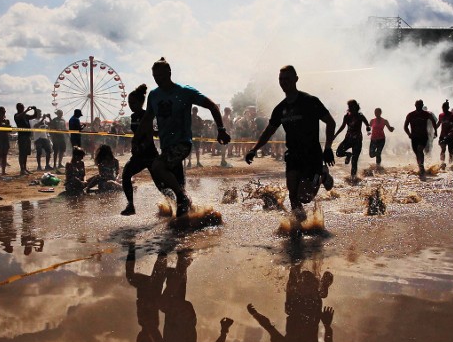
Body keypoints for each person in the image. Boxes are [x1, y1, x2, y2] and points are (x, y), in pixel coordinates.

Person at [132, 57, 231, 217]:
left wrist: (221, 129)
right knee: (173, 186)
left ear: (169, 73)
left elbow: (211, 105)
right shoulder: (154, 95)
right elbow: (147, 118)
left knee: (158, 166)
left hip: (182, 144)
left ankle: (183, 198)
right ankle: (196, 216)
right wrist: (136, 138)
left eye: (161, 76)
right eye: (155, 77)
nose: (158, 80)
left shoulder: (185, 92)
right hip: (166, 146)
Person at [245, 65, 336, 221]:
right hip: (293, 155)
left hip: (312, 154)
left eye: (287, 78)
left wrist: (328, 147)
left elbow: (331, 122)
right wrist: (254, 149)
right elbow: (268, 131)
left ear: (296, 79)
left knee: (305, 197)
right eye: (281, 79)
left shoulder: (310, 101)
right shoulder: (280, 109)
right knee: (292, 195)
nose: (284, 82)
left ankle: (323, 175)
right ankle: (298, 229)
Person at [120, 84, 158, 215]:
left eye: (133, 102)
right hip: (138, 155)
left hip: (150, 153)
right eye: (129, 102)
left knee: (160, 183)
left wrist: (141, 146)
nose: (131, 105)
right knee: (126, 175)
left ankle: (175, 204)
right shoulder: (133, 117)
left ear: (141, 102)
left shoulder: (145, 115)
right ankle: (130, 205)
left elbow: (148, 135)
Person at [333, 99, 370, 178]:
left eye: (351, 106)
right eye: (349, 106)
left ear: (356, 107)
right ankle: (348, 154)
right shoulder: (347, 116)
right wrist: (335, 135)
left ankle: (353, 178)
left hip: (357, 140)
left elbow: (367, 124)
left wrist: (368, 128)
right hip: (348, 139)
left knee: (354, 160)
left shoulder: (360, 116)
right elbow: (343, 126)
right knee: (338, 153)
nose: (350, 108)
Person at [404, 99, 438, 178]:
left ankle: (422, 167)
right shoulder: (410, 115)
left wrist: (435, 131)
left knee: (420, 149)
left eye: (420, 105)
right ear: (415, 105)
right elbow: (405, 126)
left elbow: (434, 121)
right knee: (417, 153)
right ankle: (420, 166)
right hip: (414, 137)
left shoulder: (427, 114)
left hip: (423, 136)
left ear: (422, 105)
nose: (419, 106)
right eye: (417, 105)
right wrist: (409, 134)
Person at [13, 103, 39, 175]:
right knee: (22, 153)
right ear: (18, 108)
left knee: (26, 153)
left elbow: (34, 116)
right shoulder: (16, 115)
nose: (23, 108)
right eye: (21, 107)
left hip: (27, 136)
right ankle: (22, 169)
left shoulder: (25, 116)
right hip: (22, 136)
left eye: (23, 107)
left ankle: (24, 168)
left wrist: (35, 109)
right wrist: (26, 110)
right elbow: (19, 117)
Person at [437, 100, 453, 168]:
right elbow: (439, 123)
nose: (444, 109)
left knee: (450, 150)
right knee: (443, 149)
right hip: (442, 135)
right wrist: (434, 129)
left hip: (451, 135)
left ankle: (451, 164)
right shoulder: (441, 115)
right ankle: (442, 163)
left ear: (448, 108)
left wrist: (452, 123)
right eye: (443, 108)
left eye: (445, 108)